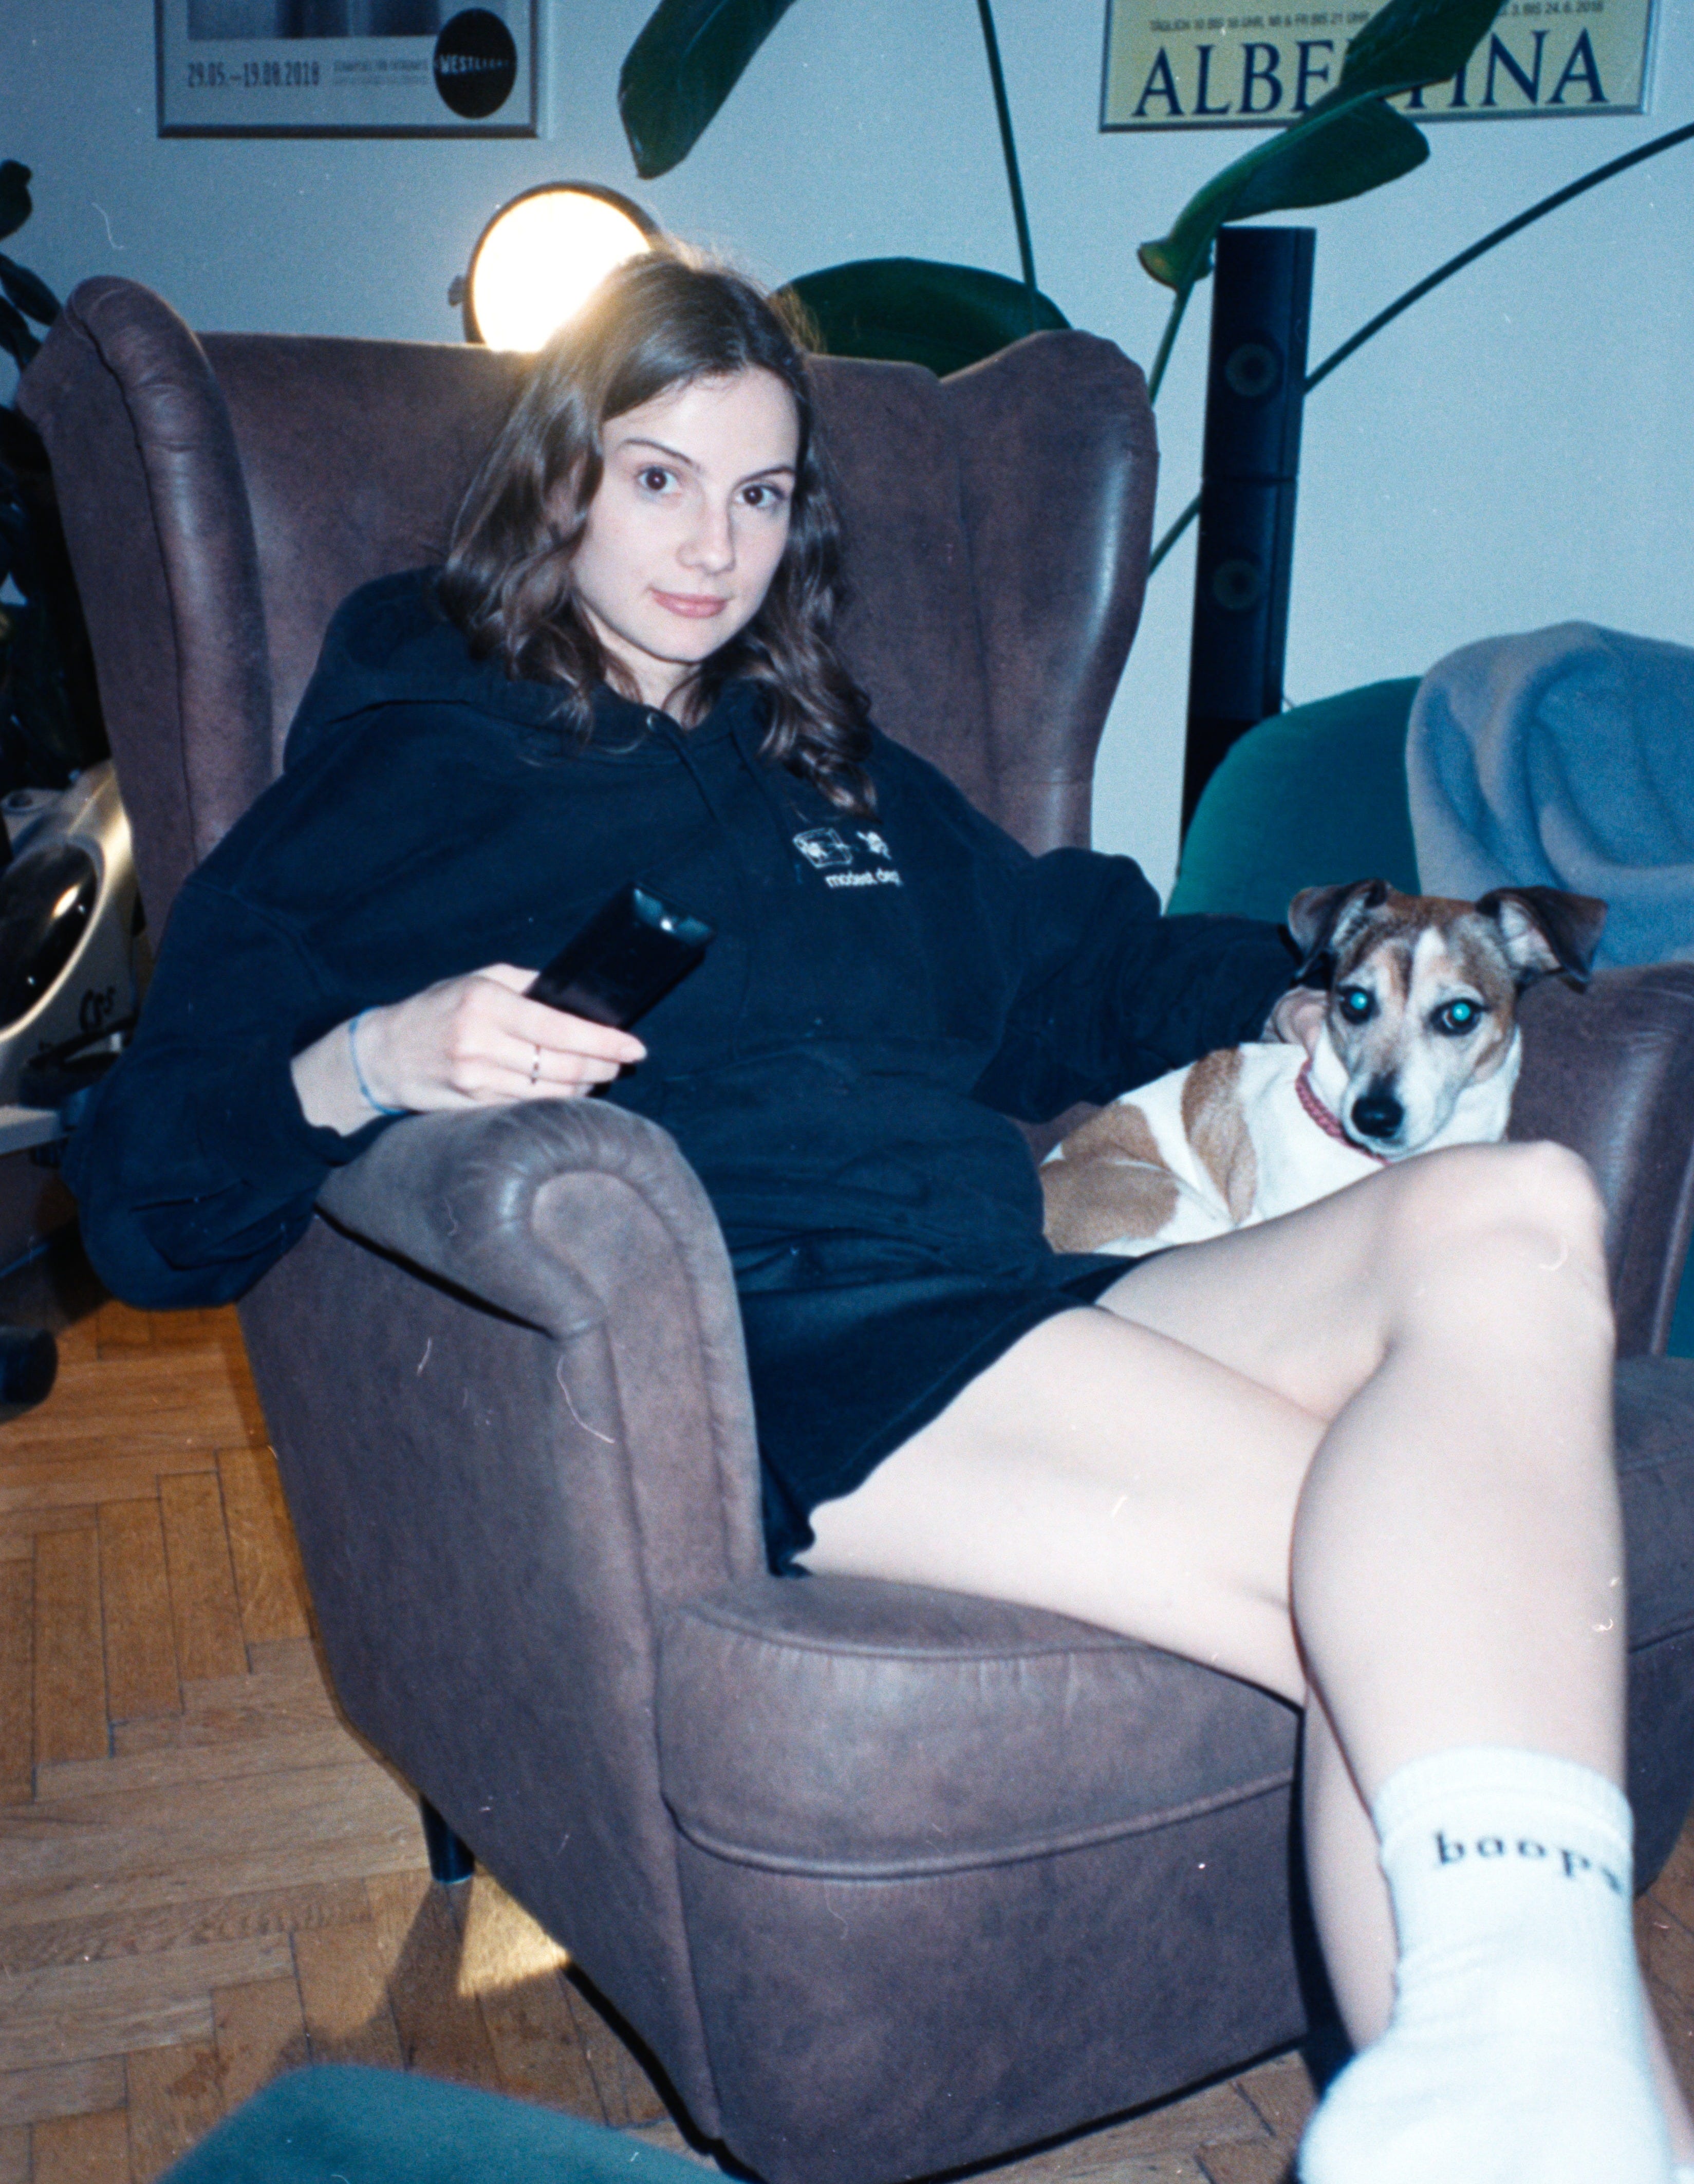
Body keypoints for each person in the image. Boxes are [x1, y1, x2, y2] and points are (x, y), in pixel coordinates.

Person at [66, 248, 1693, 2184]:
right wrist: (375, 1057)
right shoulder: (415, 756)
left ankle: (1480, 2099)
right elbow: (147, 1190)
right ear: (561, 477)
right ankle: (1546, 2113)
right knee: (1404, 1589)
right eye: (659, 478)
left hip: (1019, 1278)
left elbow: (1069, 963)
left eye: (759, 494)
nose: (713, 548)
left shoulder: (824, 758)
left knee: (1514, 1209)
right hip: (804, 1341)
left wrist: (1295, 988)